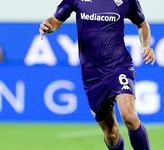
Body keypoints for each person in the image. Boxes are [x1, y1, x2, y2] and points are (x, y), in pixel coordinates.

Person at [39, 0, 156, 149]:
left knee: (129, 117)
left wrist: (145, 45)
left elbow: (142, 24)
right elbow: (54, 21)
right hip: (92, 75)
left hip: (119, 66)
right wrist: (48, 26)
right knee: (111, 134)